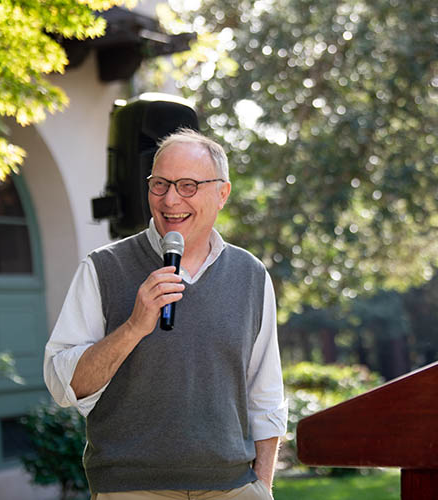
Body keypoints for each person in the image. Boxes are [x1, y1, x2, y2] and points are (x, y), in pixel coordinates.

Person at [44, 129, 287, 500]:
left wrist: (262, 486)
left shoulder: (250, 274)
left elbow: (265, 393)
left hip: (233, 488)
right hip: (132, 489)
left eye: (188, 185)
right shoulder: (102, 268)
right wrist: (133, 327)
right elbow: (65, 387)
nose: (170, 199)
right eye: (160, 184)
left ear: (222, 193)